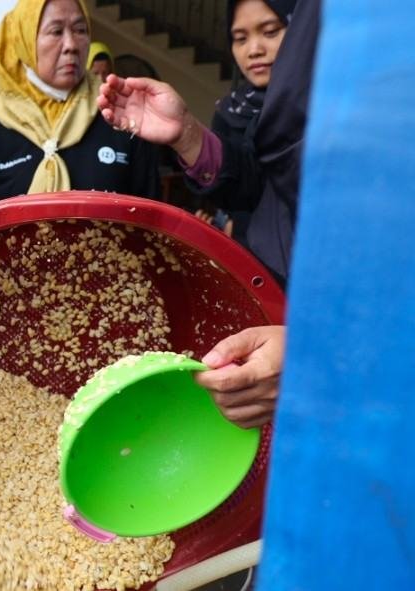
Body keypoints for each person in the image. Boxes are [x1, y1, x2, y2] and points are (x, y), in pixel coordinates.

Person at [98, 0, 319, 428]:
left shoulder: (346, 105)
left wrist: (313, 347)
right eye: (240, 38)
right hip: (265, 288)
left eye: (270, 31)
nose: (255, 48)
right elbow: (250, 182)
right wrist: (187, 136)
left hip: (327, 302)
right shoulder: (237, 111)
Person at [0, 0, 160, 221]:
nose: (71, 45)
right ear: (25, 40)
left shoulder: (117, 111)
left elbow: (152, 221)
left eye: (80, 30)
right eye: (56, 31)